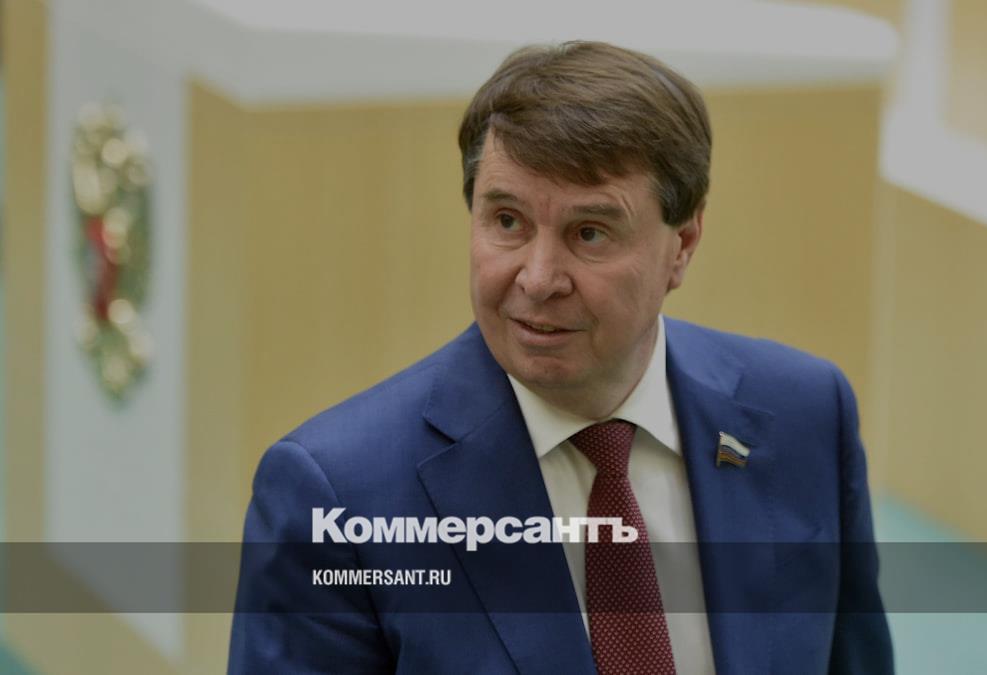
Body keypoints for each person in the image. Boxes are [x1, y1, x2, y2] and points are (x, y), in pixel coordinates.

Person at [229, 40, 892, 674]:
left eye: (590, 233)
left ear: (683, 244)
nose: (539, 278)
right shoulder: (339, 496)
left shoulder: (806, 414)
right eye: (507, 221)